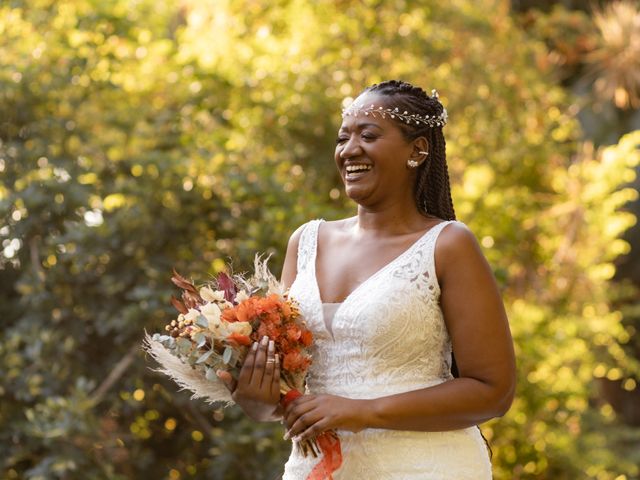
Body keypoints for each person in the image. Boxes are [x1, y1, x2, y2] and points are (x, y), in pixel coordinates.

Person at [218, 80, 516, 479]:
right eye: (343, 137)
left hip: (426, 467)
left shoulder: (447, 245)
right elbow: (288, 396)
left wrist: (363, 411)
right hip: (317, 468)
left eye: (368, 135)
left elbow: (493, 391)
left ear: (418, 150)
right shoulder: (305, 242)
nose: (349, 149)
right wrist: (258, 400)